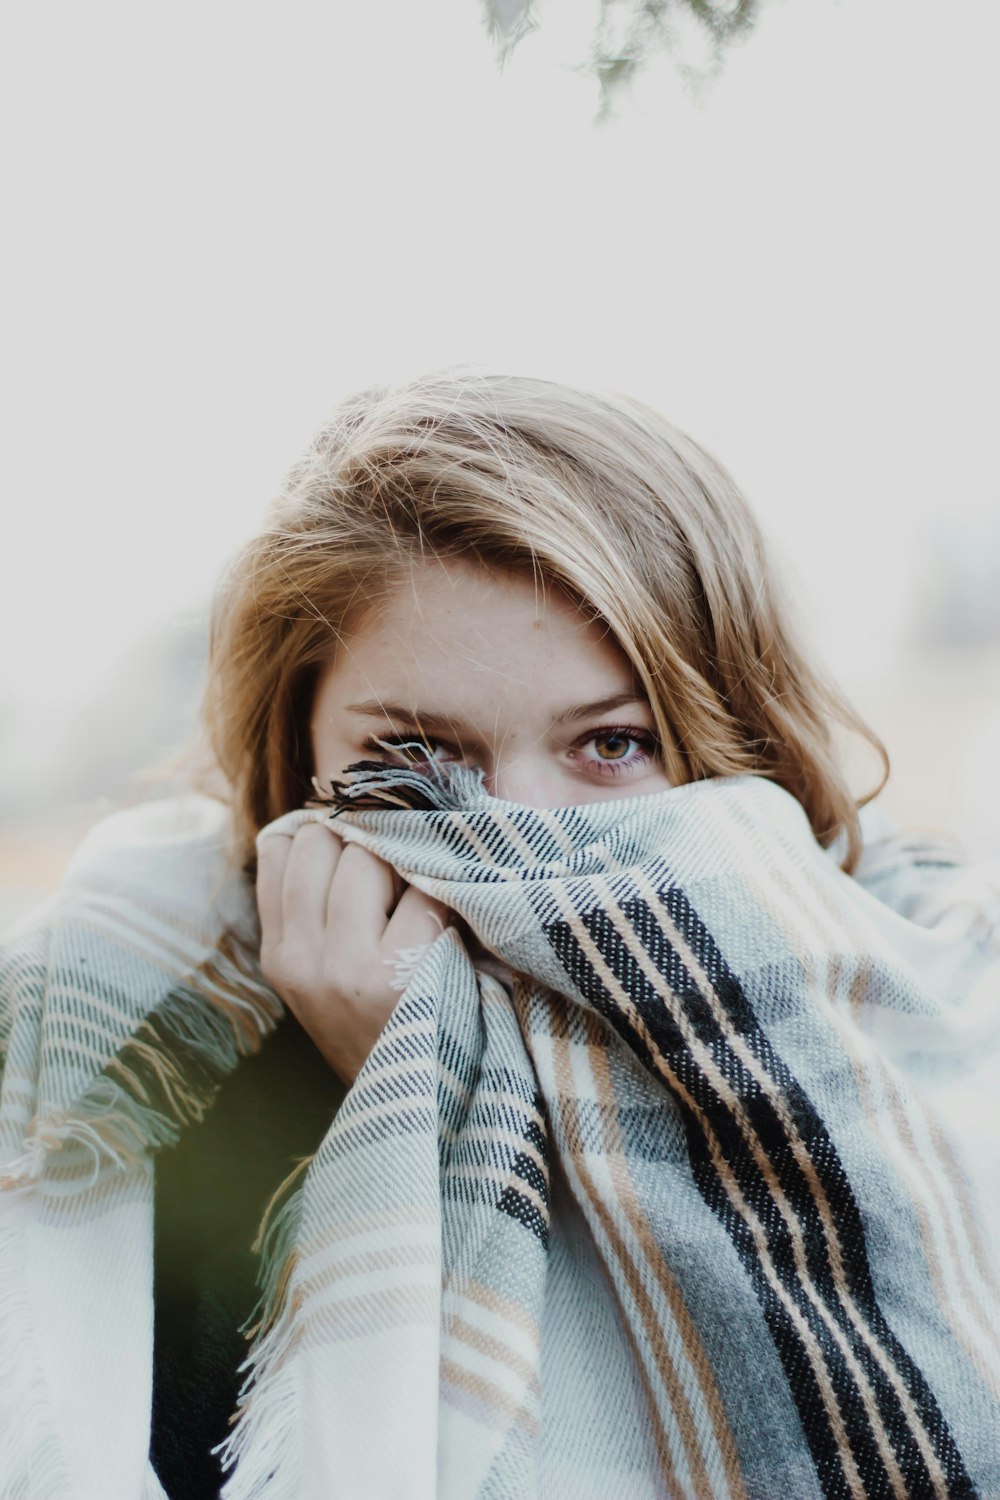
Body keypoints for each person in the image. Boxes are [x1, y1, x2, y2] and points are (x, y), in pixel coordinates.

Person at [1, 372, 998, 1500]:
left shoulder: (943, 1018)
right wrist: (384, 1102)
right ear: (297, 763)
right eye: (414, 760)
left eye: (611, 745)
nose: (514, 832)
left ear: (737, 747)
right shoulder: (134, 1073)